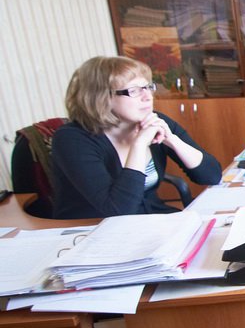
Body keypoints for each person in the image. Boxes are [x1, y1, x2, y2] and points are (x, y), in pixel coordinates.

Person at [51, 56, 221, 219]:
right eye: (133, 91)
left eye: (147, 87)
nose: (147, 97)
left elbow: (212, 176)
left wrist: (173, 140)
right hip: (94, 227)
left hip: (150, 220)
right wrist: (139, 145)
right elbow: (118, 210)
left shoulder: (155, 121)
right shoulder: (72, 139)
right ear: (101, 97)